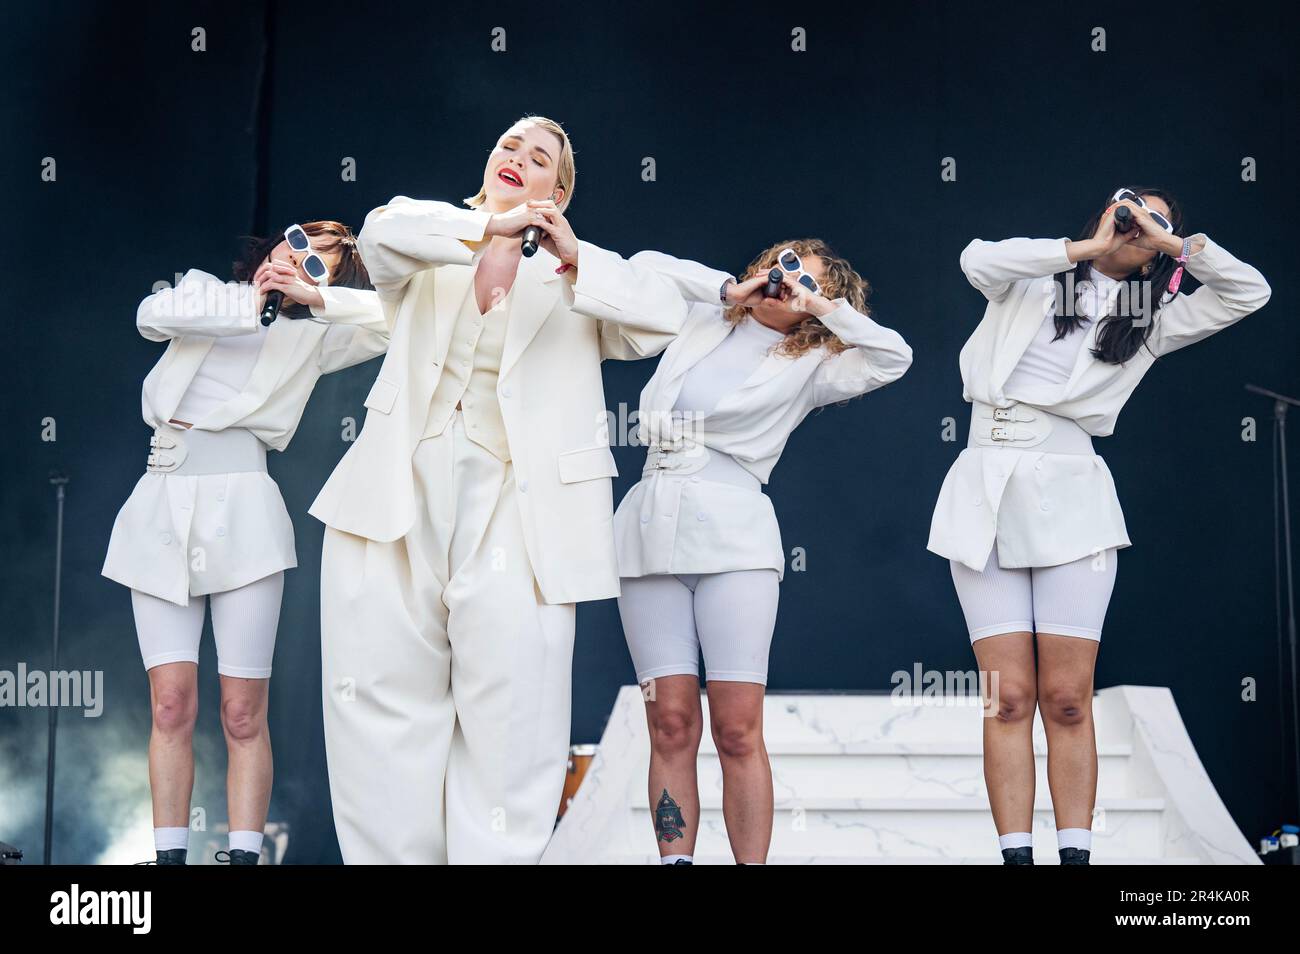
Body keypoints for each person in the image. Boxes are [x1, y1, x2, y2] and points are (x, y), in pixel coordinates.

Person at [309, 115, 687, 864]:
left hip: (523, 512)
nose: (518, 157)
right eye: (509, 146)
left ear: (561, 191)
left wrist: (573, 256)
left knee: (515, 721)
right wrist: (489, 229)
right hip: (395, 496)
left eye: (539, 156)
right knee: (381, 710)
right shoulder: (428, 237)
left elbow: (664, 317)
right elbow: (380, 233)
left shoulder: (579, 276)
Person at [927, 188, 1271, 864]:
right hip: (985, 486)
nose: (1135, 222)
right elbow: (977, 260)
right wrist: (1087, 250)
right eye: (1127, 208)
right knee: (1007, 696)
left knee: (1066, 698)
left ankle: (1077, 856)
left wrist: (1171, 246)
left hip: (1071, 494)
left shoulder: (1151, 313)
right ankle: (1016, 855)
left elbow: (1248, 292)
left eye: (1155, 218)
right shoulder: (1034, 281)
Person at [616, 241, 912, 863]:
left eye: (805, 276)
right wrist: (728, 290)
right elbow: (644, 264)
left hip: (735, 537)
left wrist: (824, 309)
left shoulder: (816, 364)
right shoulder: (702, 318)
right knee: (668, 720)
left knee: (735, 726)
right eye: (780, 262)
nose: (785, 277)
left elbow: (893, 356)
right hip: (649, 525)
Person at [103, 222, 387, 865]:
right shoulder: (207, 294)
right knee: (171, 701)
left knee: (240, 710)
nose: (299, 259)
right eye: (297, 241)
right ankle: (168, 856)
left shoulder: (314, 336)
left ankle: (243, 854)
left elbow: (396, 320)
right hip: (164, 498)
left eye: (321, 262)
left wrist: (318, 303)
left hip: (245, 509)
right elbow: (151, 315)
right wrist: (248, 302)